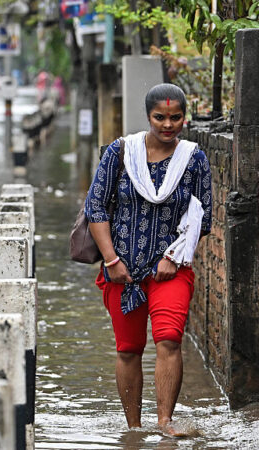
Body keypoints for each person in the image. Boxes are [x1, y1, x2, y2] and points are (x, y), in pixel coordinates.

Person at [84, 83, 212, 436]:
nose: (168, 125)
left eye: (175, 117)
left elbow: (204, 215)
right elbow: (95, 206)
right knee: (129, 349)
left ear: (185, 118)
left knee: (169, 339)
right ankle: (135, 427)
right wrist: (112, 261)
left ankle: (165, 422)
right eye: (160, 117)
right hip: (122, 270)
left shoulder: (194, 158)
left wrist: (173, 257)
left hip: (170, 270)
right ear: (148, 116)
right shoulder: (121, 153)